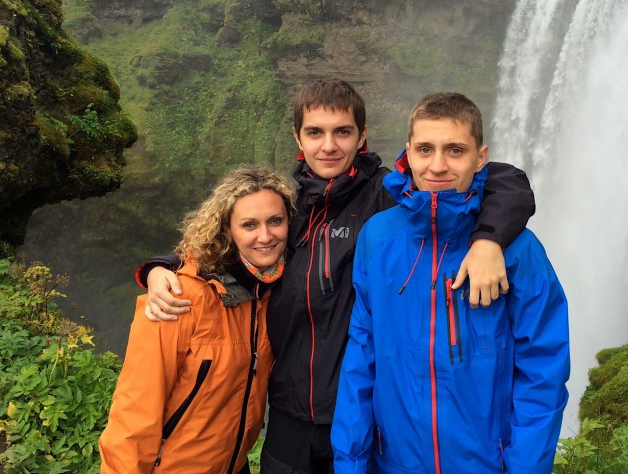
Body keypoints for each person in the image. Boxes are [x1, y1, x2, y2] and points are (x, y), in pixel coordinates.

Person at [136, 78, 536, 474]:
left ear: (362, 135)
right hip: (289, 414)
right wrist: (162, 266)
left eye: (342, 131)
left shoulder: (385, 196)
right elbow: (227, 244)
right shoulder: (288, 209)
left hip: (362, 416)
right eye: (315, 132)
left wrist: (488, 240)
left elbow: (498, 181)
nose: (329, 145)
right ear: (298, 138)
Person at [331, 92, 570, 473]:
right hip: (394, 461)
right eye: (425, 149)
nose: (438, 166)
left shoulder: (519, 251)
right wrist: (350, 462)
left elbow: (543, 373)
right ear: (407, 153)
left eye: (455, 150)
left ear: (481, 157)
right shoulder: (377, 238)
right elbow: (362, 356)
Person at [99, 165, 296, 474]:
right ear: (227, 229)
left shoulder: (271, 292)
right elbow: (135, 410)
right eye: (249, 225)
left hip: (235, 465)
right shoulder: (179, 297)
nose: (266, 236)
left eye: (275, 221)